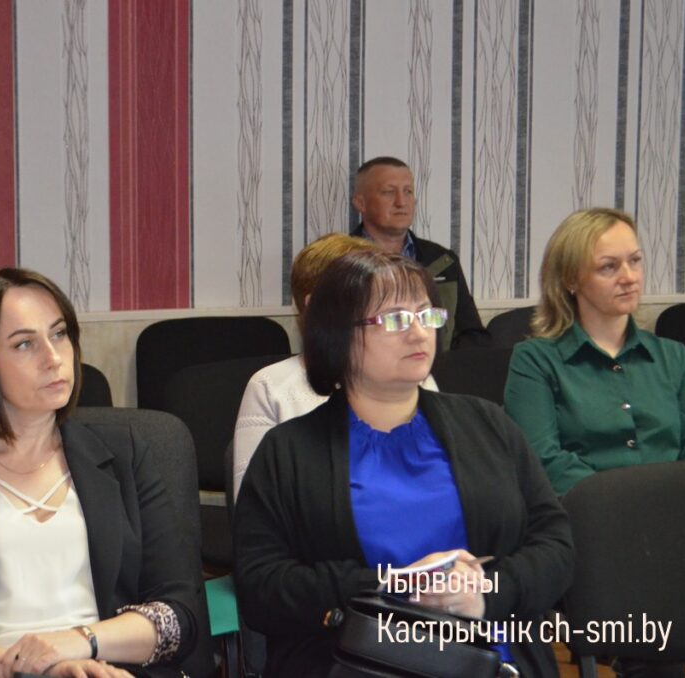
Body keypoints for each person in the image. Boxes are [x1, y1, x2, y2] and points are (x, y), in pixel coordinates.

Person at [232, 251, 573, 677]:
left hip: (490, 660)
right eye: (395, 319)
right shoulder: (288, 451)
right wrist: (385, 587)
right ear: (339, 334)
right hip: (353, 664)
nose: (418, 332)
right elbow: (261, 586)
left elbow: (555, 542)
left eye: (426, 315)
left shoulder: (487, 424)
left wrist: (487, 593)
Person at [0, 267, 209, 678]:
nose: (54, 358)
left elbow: (179, 615)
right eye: (24, 344)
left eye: (59, 334)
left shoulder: (126, 454)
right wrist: (34, 668)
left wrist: (79, 642)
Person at [503, 208, 685, 677]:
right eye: (609, 266)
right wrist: (627, 512)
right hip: (589, 532)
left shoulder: (674, 358)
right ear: (571, 279)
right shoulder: (536, 360)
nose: (629, 277)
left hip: (675, 528)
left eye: (635, 261)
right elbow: (542, 460)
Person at [231, 233, 438, 500]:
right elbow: (253, 503)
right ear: (318, 308)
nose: (417, 333)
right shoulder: (270, 387)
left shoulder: (412, 373)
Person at [351, 156, 489, 349]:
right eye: (389, 192)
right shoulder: (339, 261)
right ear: (361, 203)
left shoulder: (443, 261)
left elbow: (474, 335)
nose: (401, 202)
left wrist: (443, 363)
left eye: (408, 191)